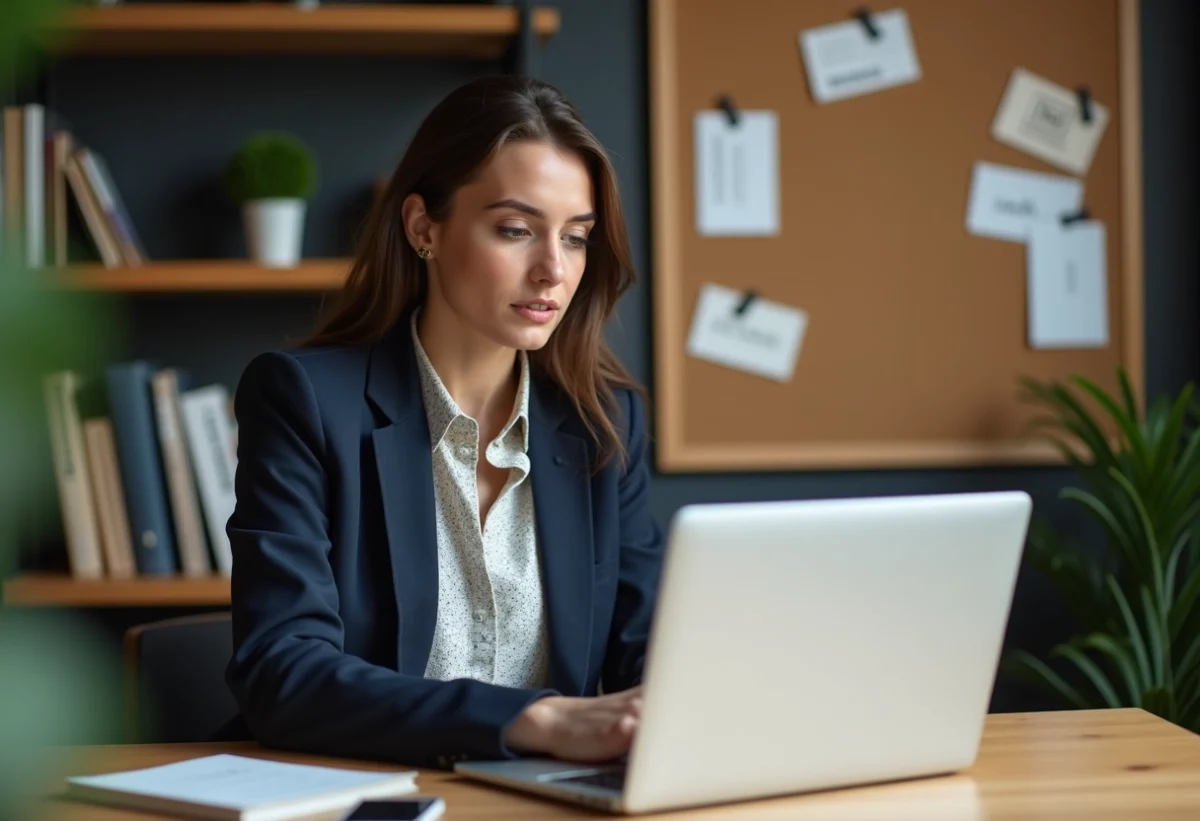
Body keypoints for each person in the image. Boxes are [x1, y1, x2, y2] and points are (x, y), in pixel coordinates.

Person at [222, 74, 665, 771]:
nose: (553, 269)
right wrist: (532, 717)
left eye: (576, 238)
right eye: (516, 230)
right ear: (424, 227)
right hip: (362, 799)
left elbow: (655, 658)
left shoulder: (605, 424)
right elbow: (285, 673)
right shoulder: (303, 399)